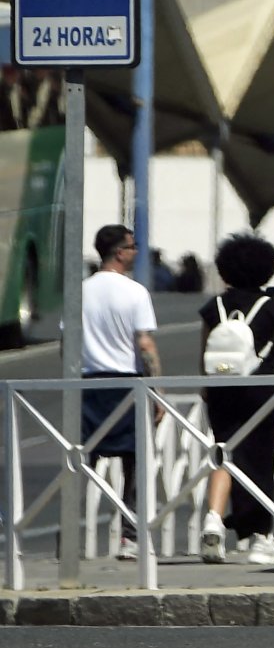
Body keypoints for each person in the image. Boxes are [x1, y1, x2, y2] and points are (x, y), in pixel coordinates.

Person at [197, 233, 274, 567]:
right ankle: (260, 538)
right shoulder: (272, 309)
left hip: (221, 390)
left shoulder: (215, 307)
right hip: (260, 394)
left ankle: (213, 518)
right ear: (266, 270)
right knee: (259, 460)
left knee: (222, 453)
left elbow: (204, 354)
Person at [79, 224, 161, 561]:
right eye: (133, 245)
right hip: (126, 384)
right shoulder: (135, 292)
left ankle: (70, 534)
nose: (136, 251)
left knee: (81, 462)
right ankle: (130, 537)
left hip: (86, 383)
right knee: (136, 463)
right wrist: (157, 390)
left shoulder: (80, 291)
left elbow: (67, 344)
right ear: (119, 252)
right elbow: (144, 344)